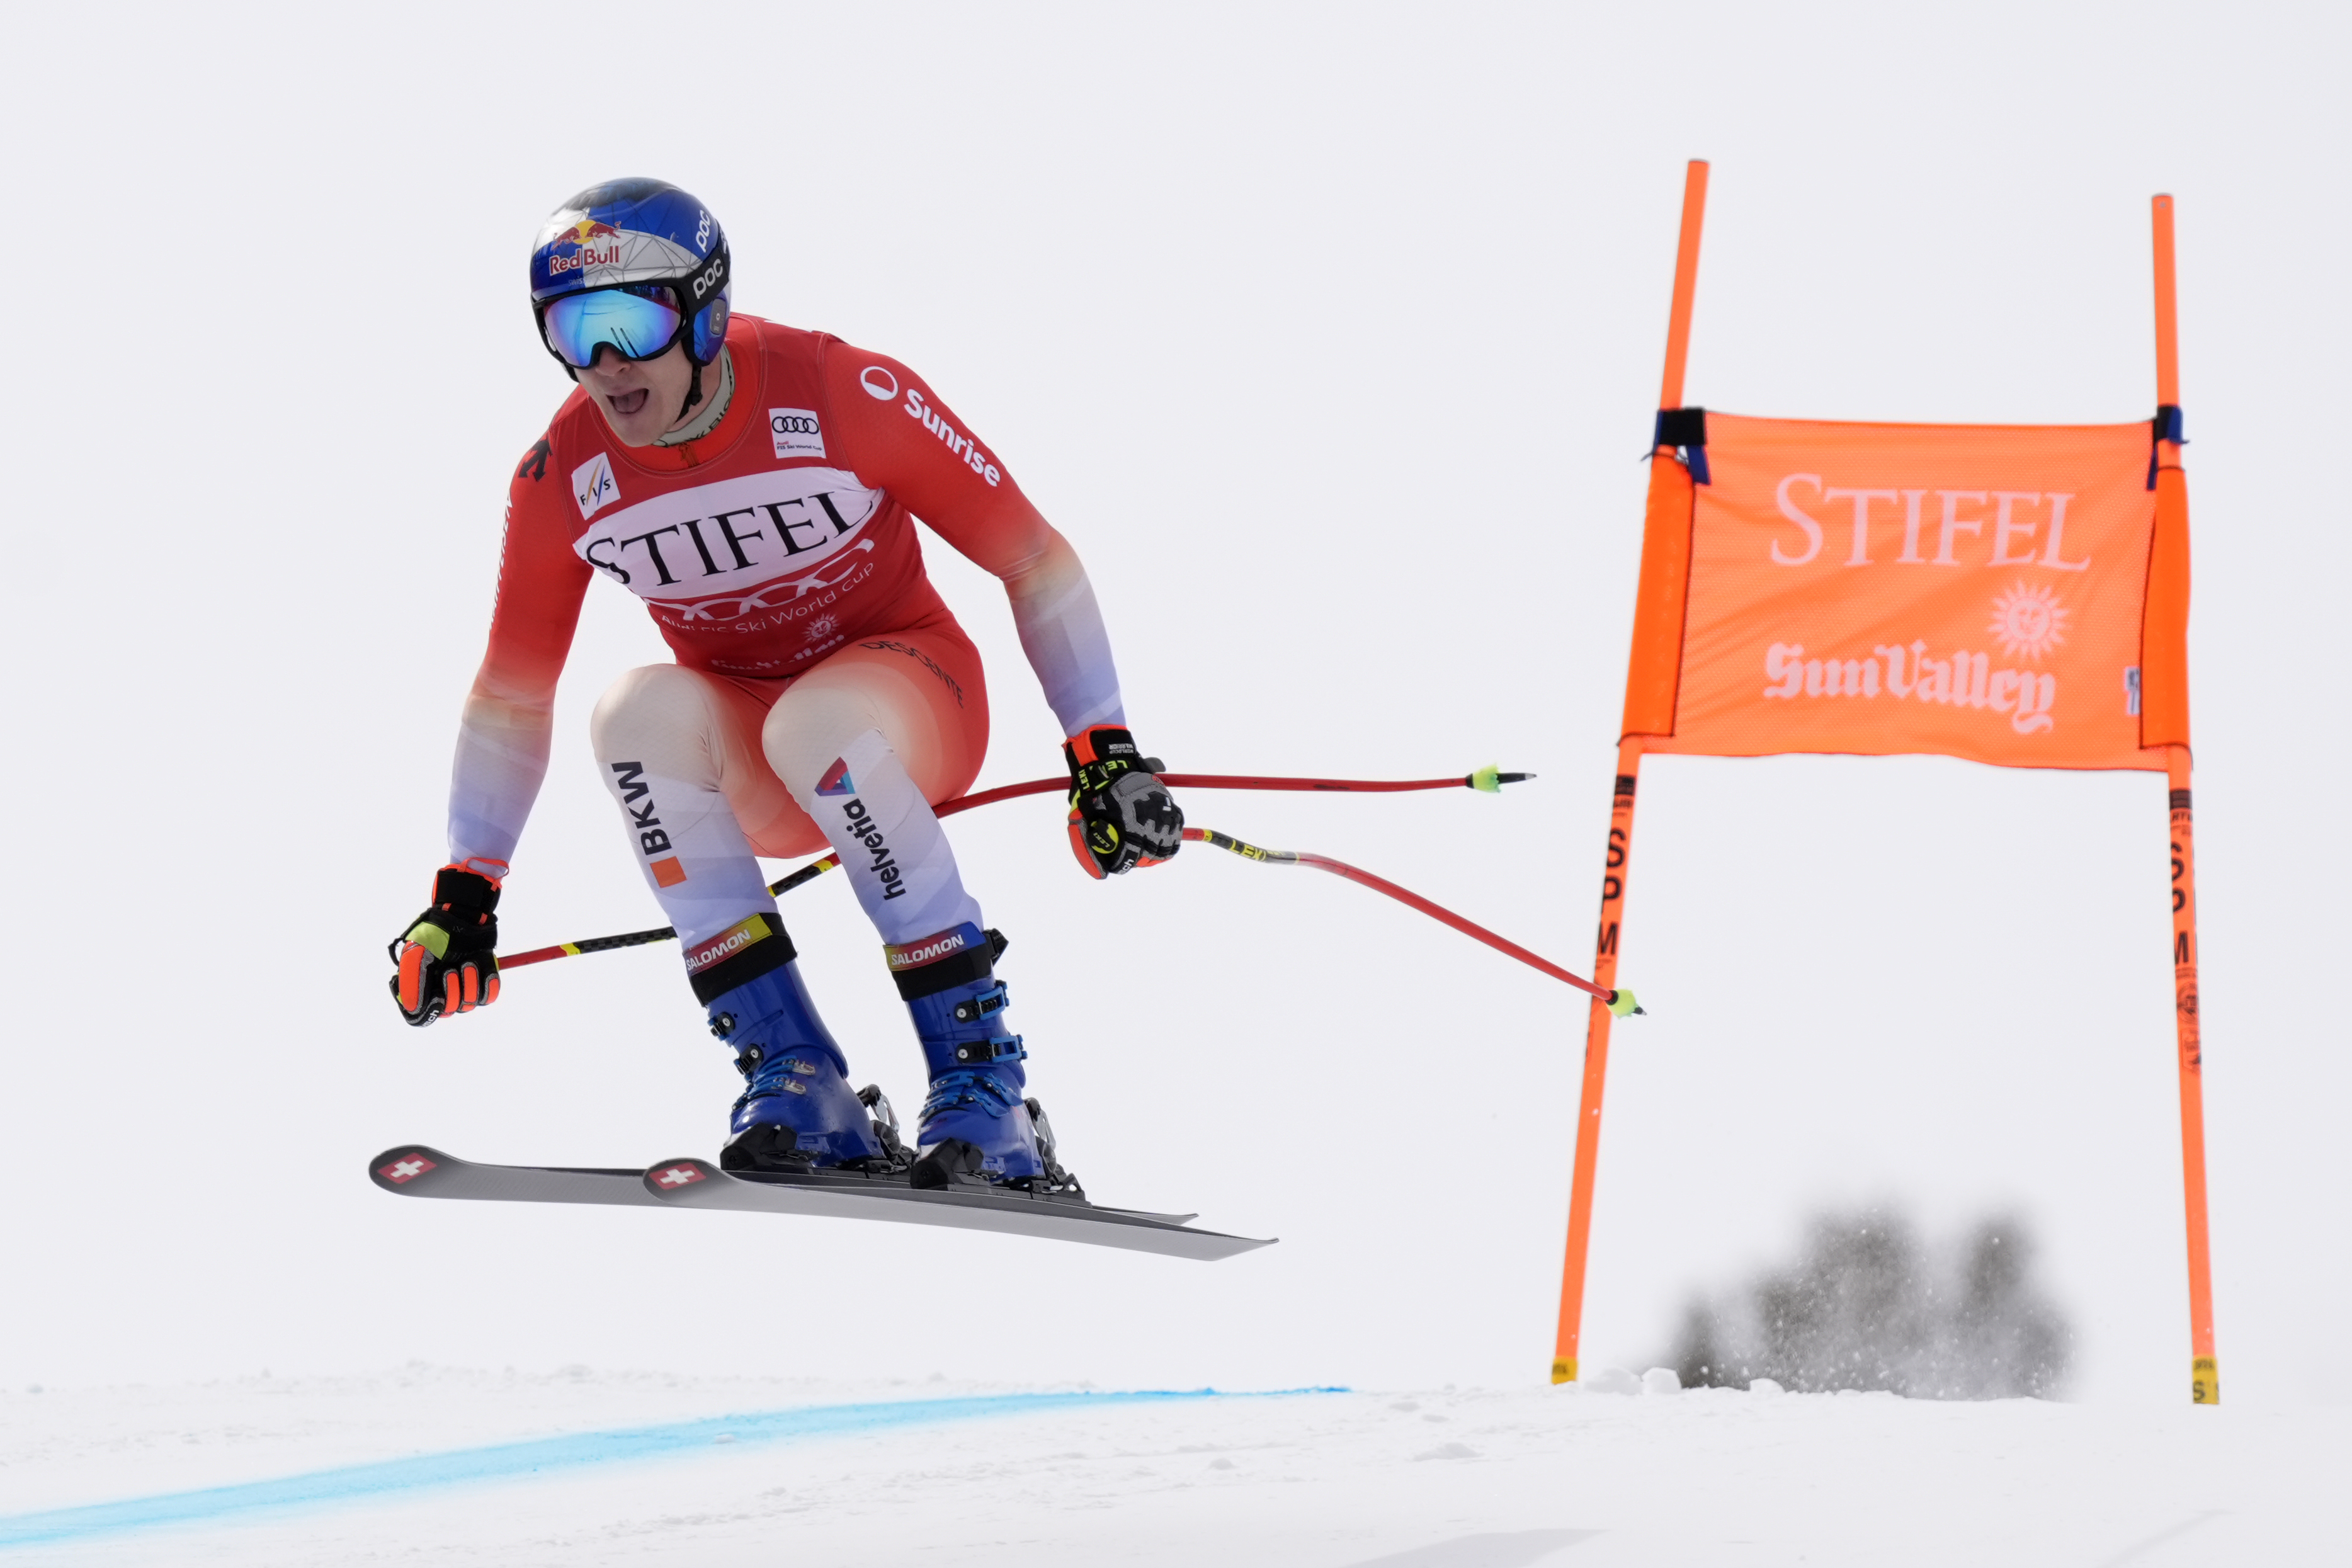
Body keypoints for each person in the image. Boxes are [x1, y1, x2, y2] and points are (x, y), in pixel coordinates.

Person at [388, 178, 1183, 1190]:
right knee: (630, 714)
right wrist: (467, 894)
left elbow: (1035, 557)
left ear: (706, 312)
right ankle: (797, 1077)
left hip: (912, 696)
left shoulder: (835, 391)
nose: (604, 365)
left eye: (629, 321)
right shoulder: (562, 475)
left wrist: (1101, 748)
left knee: (817, 725)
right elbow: (509, 694)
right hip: (758, 747)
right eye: (571, 329)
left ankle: (987, 1088)